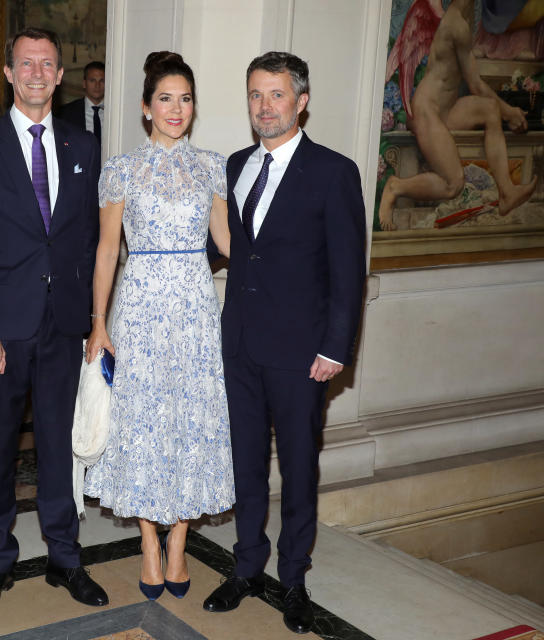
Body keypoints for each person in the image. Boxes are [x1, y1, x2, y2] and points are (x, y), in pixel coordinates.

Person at [201, 52, 365, 635]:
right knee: (245, 464)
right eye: (254, 95)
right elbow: (230, 249)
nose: (263, 106)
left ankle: (293, 577)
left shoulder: (333, 171)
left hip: (302, 354)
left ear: (301, 101)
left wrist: (335, 348)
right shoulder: (237, 165)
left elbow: (348, 272)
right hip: (241, 345)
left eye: (275, 95)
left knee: (298, 469)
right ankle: (247, 566)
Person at [0, 27, 107, 616]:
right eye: (26, 64)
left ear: (59, 74)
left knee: (57, 448)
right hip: (1, 329)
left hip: (63, 326)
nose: (38, 73)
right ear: (9, 74)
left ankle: (65, 558)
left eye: (48, 64)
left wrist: (96, 320)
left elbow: (90, 242)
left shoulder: (81, 147)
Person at [83, 51, 234, 602]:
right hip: (140, 304)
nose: (176, 109)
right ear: (146, 108)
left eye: (185, 99)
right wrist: (99, 324)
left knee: (191, 419)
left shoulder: (212, 166)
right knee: (142, 422)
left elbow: (226, 243)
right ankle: (150, 540)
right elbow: (105, 252)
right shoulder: (121, 168)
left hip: (194, 308)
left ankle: (180, 542)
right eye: (165, 99)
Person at [379, 0, 537, 230]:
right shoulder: (457, 26)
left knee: (490, 109)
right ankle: (395, 187)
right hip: (426, 110)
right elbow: (475, 85)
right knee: (453, 185)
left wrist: (504, 111)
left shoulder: (461, 22)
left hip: (446, 108)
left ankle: (507, 193)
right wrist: (510, 111)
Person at [59, 61, 104, 142]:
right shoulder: (65, 113)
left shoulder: (117, 113)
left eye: (102, 81)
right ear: (84, 83)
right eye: (92, 80)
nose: (97, 85)